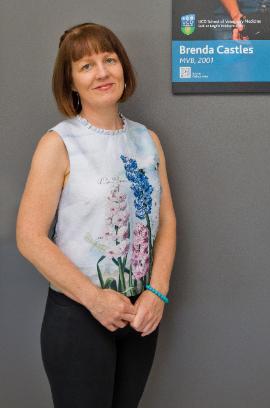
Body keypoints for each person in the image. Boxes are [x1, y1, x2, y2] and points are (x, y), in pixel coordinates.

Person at [16, 23, 176, 408]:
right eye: (86, 66)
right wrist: (94, 299)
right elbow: (30, 237)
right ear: (70, 81)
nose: (103, 72)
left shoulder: (147, 140)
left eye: (109, 60)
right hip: (79, 318)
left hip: (140, 317)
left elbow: (166, 221)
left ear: (123, 69)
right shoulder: (59, 143)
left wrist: (157, 292)